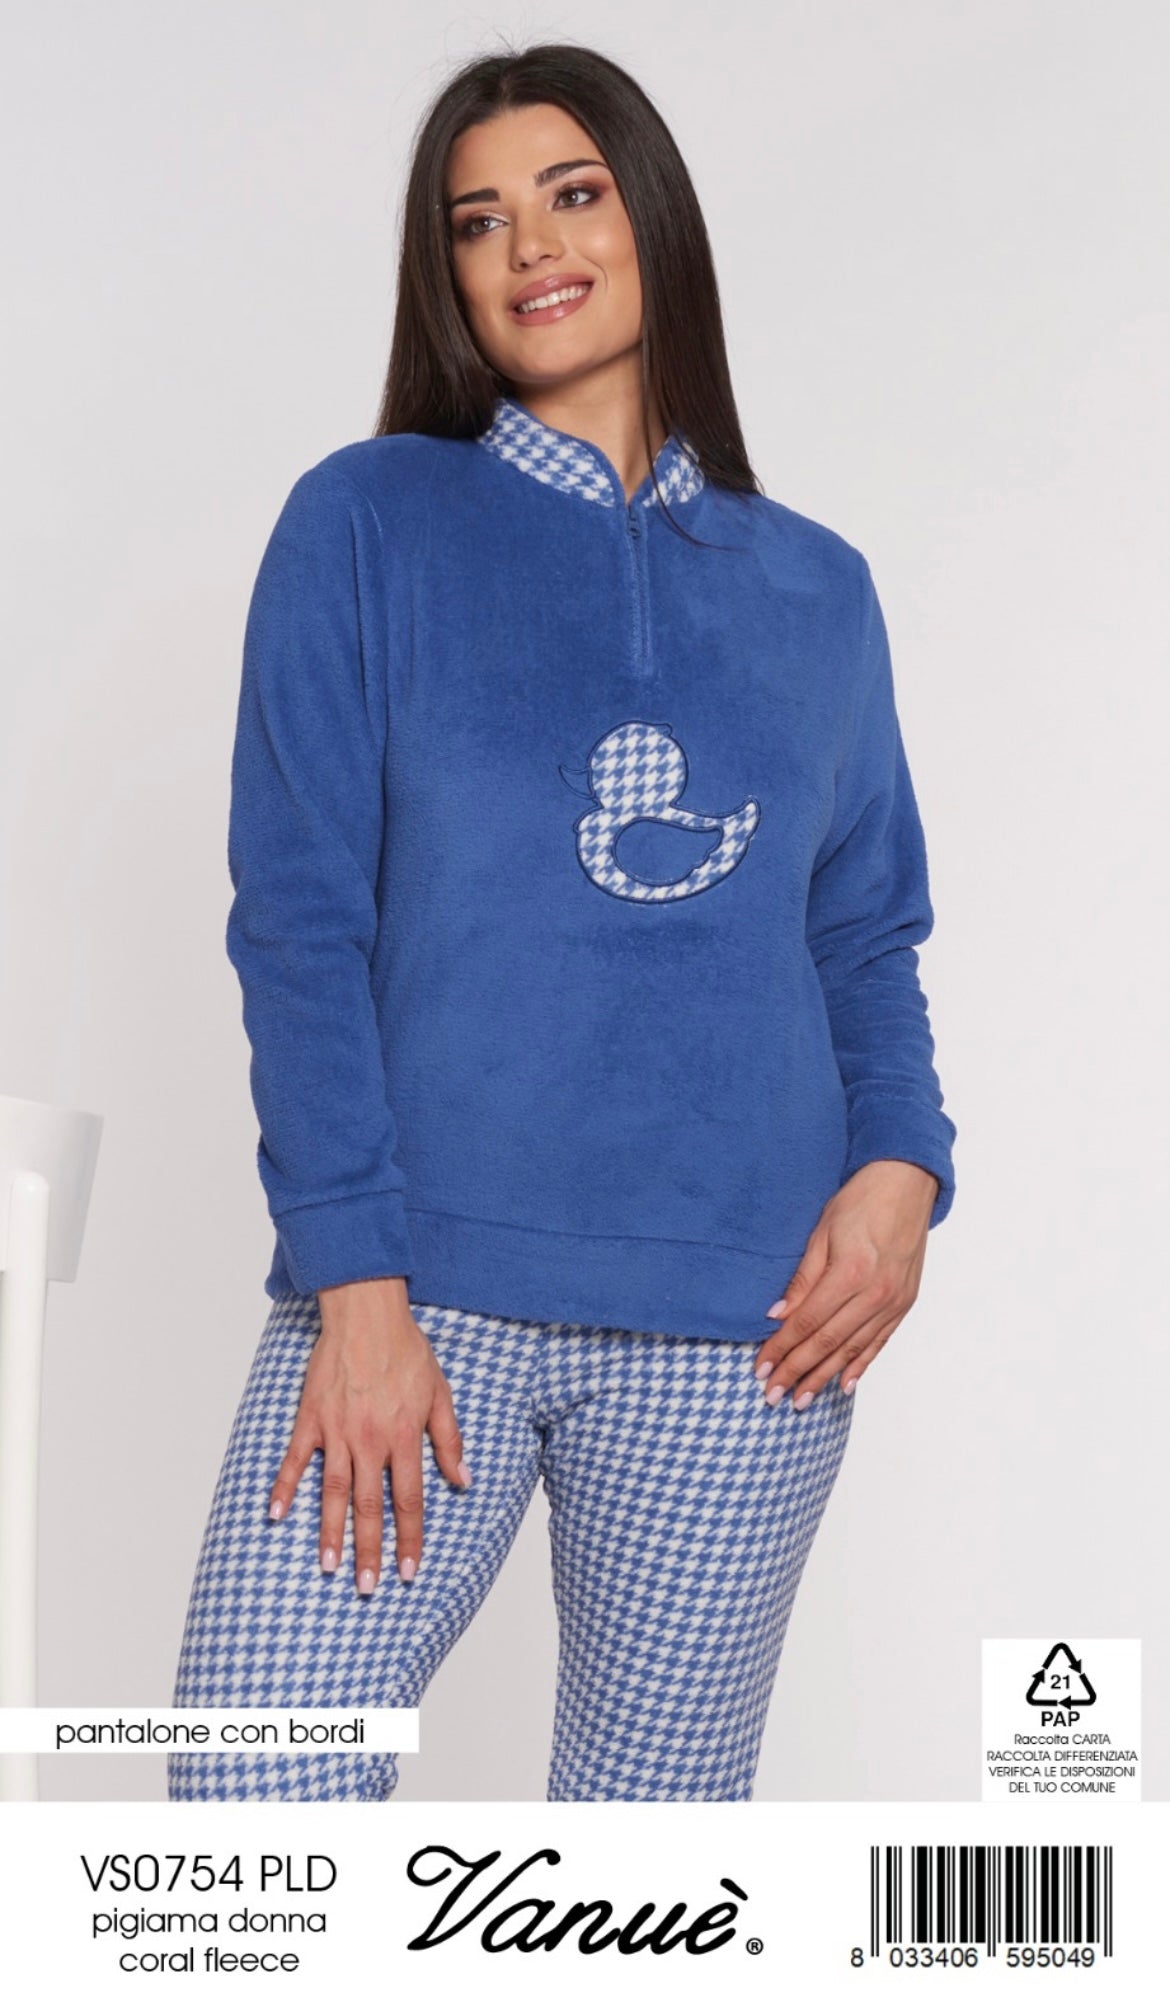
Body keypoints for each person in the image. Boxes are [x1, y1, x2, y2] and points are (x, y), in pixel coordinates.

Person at [168, 41, 957, 1802]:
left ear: (651, 219)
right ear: (444, 272)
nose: (528, 243)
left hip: (742, 1322)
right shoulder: (366, 521)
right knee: (245, 1835)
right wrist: (357, 1288)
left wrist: (903, 1169)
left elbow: (861, 934)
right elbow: (297, 921)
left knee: (640, 1889)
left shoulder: (815, 589)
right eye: (477, 220)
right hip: (419, 1290)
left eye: (572, 193)